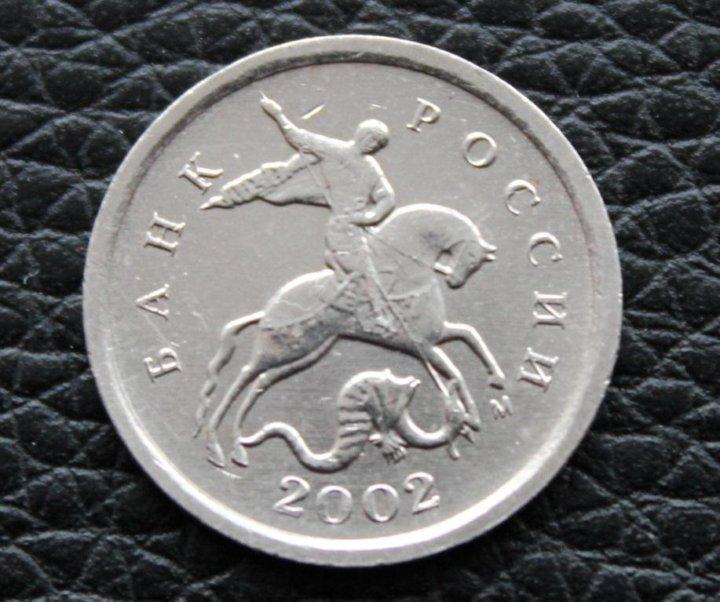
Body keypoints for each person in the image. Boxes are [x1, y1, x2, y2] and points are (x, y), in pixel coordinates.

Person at [209, 95, 397, 329]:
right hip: (342, 228)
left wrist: (371, 217)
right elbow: (297, 137)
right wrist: (277, 114)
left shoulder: (371, 168)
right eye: (372, 139)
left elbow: (387, 197)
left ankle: (352, 292)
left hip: (358, 227)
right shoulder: (334, 150)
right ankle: (375, 316)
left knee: (388, 263)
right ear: (361, 135)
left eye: (378, 143)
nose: (374, 145)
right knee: (365, 271)